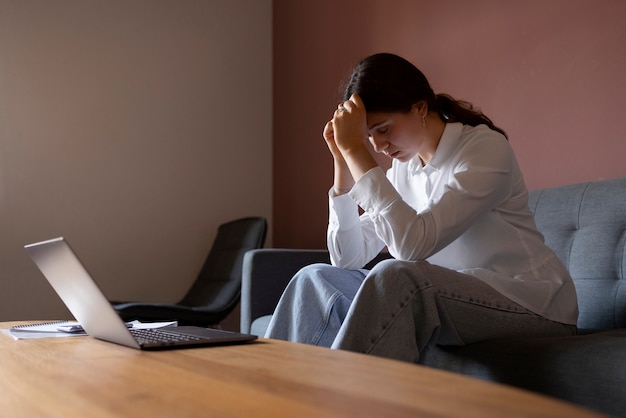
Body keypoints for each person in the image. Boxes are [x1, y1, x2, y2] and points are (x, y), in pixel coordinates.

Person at [264, 52, 578, 363]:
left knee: (397, 275)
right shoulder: (405, 168)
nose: (378, 147)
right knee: (314, 278)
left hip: (529, 302)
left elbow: (412, 246)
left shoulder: (483, 150)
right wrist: (343, 164)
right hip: (448, 300)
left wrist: (357, 151)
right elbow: (346, 258)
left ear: (420, 108)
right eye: (368, 136)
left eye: (383, 129)